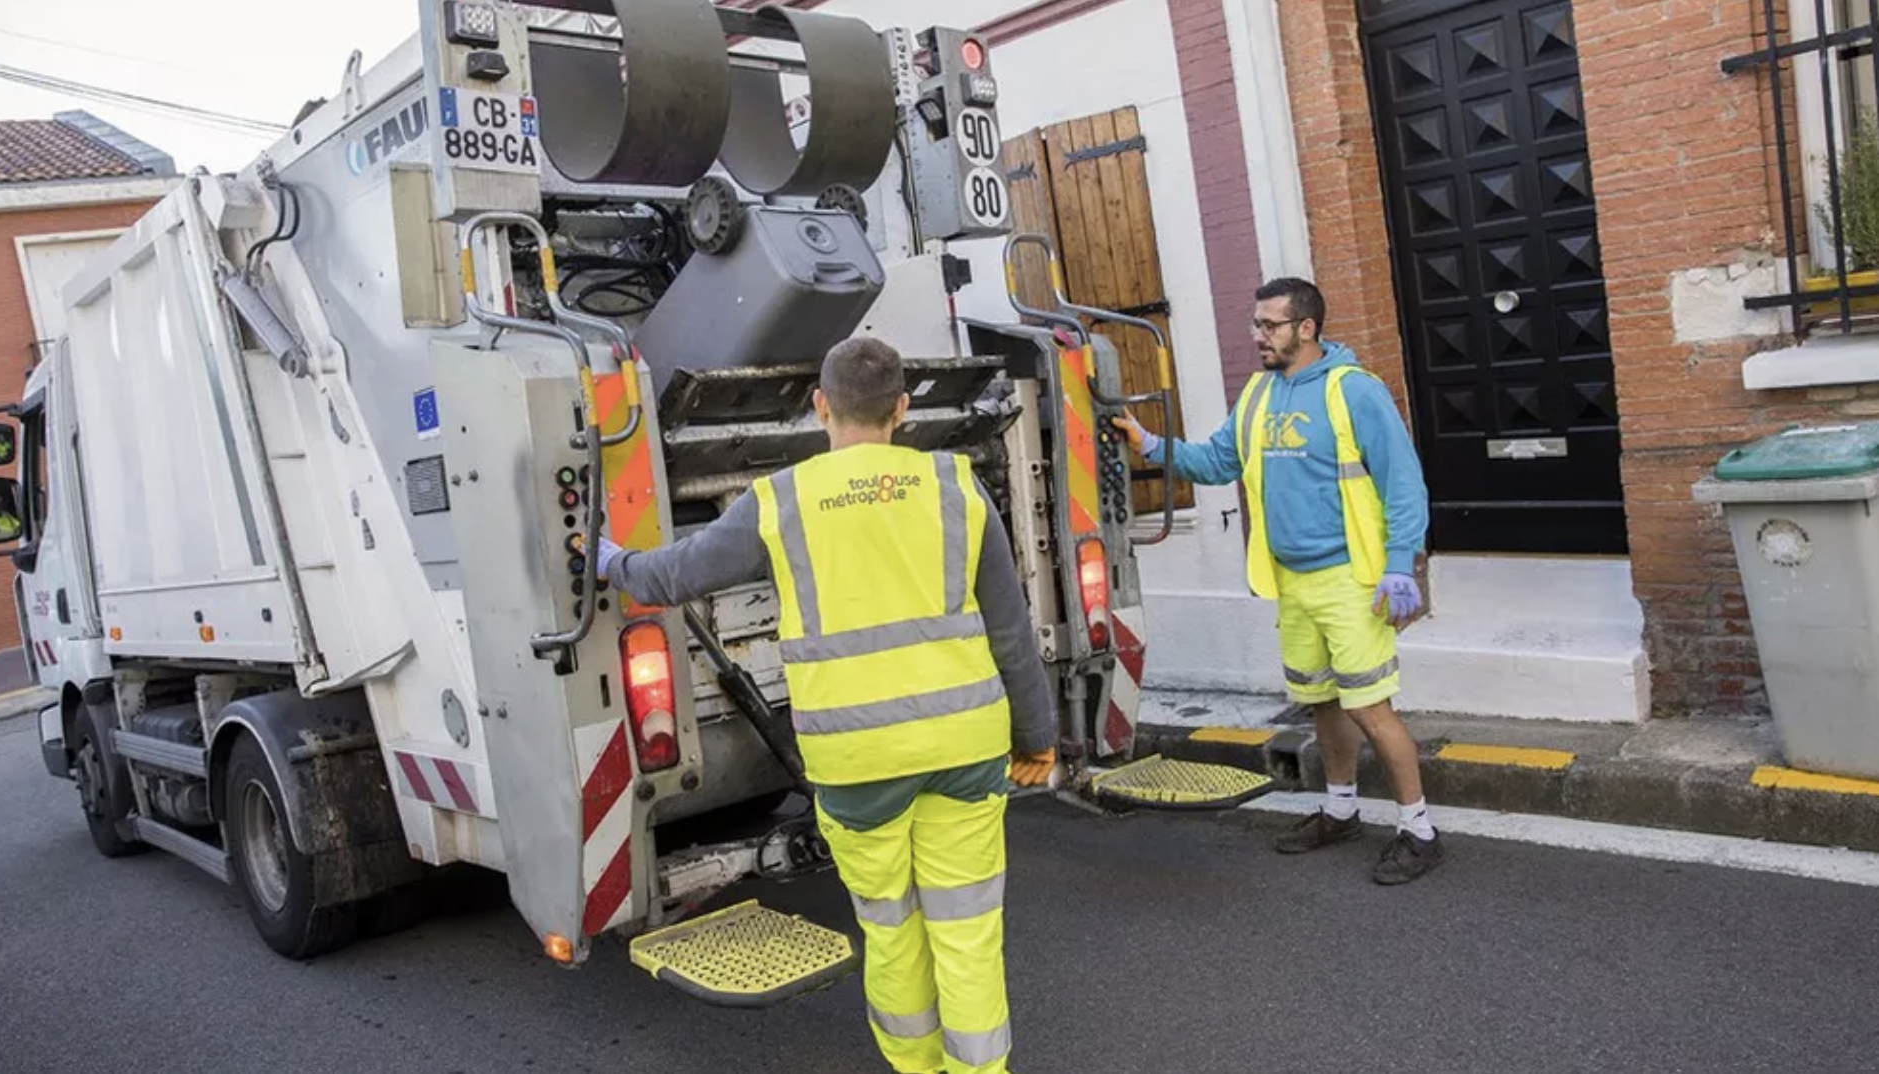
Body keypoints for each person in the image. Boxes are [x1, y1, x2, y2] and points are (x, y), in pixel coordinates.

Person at [577, 335, 1056, 1074]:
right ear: (902, 409)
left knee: (893, 931)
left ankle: (917, 1068)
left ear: (820, 406)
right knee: (967, 933)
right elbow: (1011, 632)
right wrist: (1036, 736)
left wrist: (610, 559)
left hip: (856, 762)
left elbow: (674, 576)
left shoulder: (783, 500)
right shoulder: (958, 488)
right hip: (964, 752)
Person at [1113, 277, 1444, 885]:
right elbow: (1217, 461)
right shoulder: (1261, 395)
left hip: (1352, 581)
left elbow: (1404, 484)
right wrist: (1150, 443)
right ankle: (1340, 808)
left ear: (1306, 329)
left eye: (1269, 326)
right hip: (1293, 582)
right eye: (1256, 324)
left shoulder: (1355, 392)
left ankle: (1418, 829)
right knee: (1320, 701)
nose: (1257, 336)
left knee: (1371, 706)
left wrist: (1401, 564)